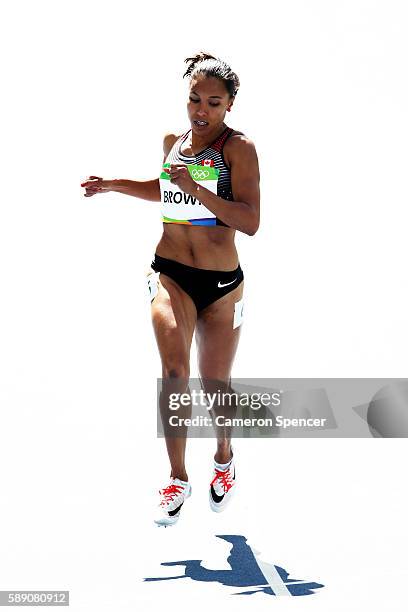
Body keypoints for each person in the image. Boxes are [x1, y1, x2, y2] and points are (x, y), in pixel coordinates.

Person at [81, 51, 260, 527]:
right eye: (194, 99)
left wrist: (198, 189)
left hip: (222, 287)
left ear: (230, 106)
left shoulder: (238, 149)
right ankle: (177, 477)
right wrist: (115, 185)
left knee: (214, 386)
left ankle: (224, 457)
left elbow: (250, 220)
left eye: (213, 103)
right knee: (175, 371)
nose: (200, 110)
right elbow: (165, 191)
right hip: (171, 274)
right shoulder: (173, 142)